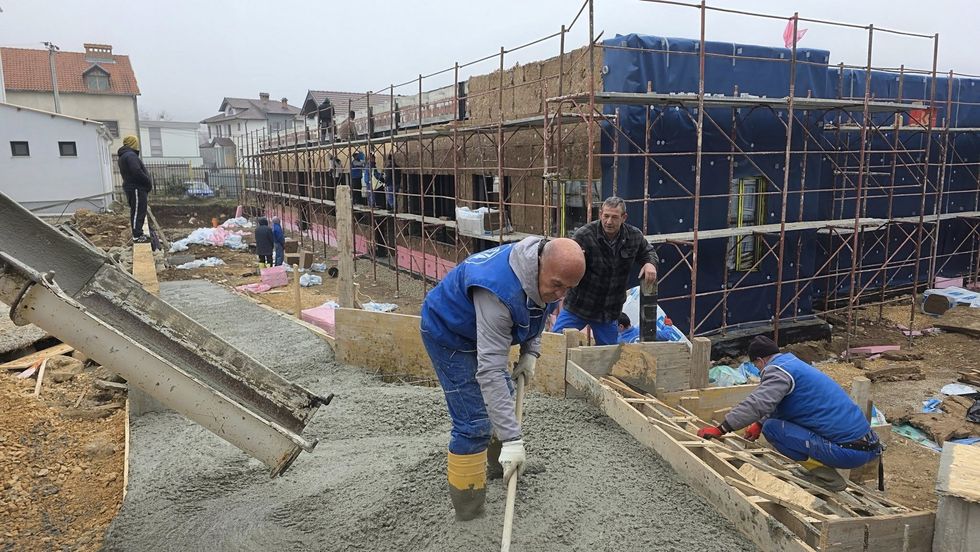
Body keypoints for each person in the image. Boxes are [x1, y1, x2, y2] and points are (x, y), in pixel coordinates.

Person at [421, 237, 586, 521]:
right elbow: (490, 371)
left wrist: (530, 351)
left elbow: (539, 309)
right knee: (474, 423)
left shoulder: (542, 276)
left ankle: (501, 467)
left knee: (502, 398)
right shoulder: (498, 293)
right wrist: (512, 439)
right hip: (448, 333)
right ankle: (469, 511)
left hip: (477, 327)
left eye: (568, 289)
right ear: (539, 264)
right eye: (557, 285)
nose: (560, 294)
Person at [697, 336, 882, 491]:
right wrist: (759, 423)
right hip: (866, 445)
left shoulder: (777, 372)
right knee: (772, 423)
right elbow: (782, 402)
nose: (759, 370)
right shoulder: (793, 365)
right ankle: (819, 470)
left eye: (756, 365)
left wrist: (722, 428)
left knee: (773, 429)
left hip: (848, 451)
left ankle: (828, 479)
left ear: (760, 360)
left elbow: (758, 403)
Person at [552, 196, 659, 345]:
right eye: (606, 216)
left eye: (614, 217)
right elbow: (566, 256)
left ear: (624, 218)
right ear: (600, 214)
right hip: (579, 306)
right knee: (556, 343)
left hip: (608, 312)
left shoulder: (633, 236)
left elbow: (648, 252)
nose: (609, 221)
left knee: (608, 355)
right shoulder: (585, 235)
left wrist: (650, 264)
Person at [118, 135, 153, 243]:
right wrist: (147, 181)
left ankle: (138, 233)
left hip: (134, 187)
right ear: (133, 143)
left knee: (137, 211)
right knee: (138, 211)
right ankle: (137, 236)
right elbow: (136, 171)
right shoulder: (130, 156)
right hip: (136, 188)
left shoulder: (125, 155)